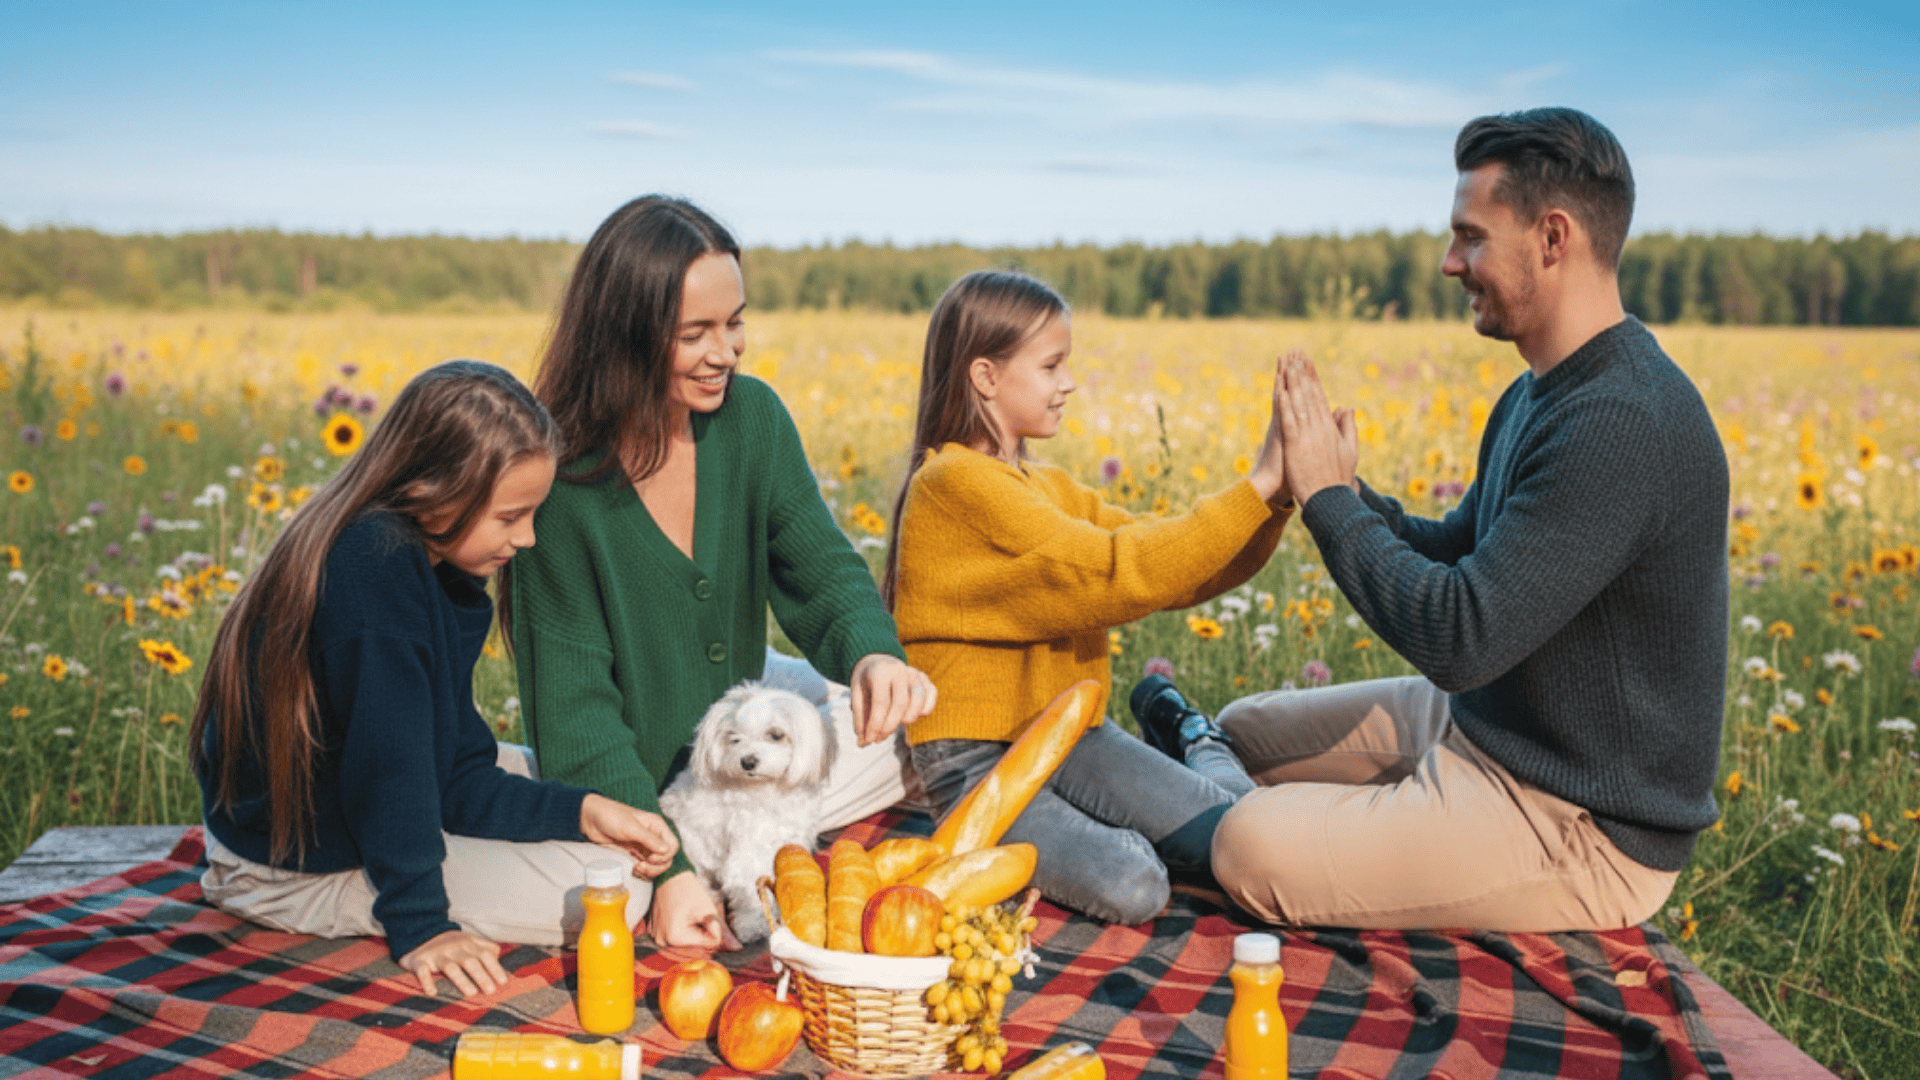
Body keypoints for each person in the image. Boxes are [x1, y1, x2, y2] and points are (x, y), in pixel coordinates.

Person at [1138, 107, 1729, 932]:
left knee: (1248, 849)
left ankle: (1236, 823)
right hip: (1493, 726)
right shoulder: (1540, 390)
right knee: (1241, 732)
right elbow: (1461, 553)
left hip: (1575, 819)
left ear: (1553, 238)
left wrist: (1329, 503)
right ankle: (1253, 800)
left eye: (1471, 236)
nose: (1450, 263)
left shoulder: (1622, 421)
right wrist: (1341, 489)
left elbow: (1461, 637)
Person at [504, 195, 938, 951]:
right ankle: (709, 841)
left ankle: (758, 824)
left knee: (925, 716)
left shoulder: (753, 419)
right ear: (626, 337)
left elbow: (823, 565)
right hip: (634, 760)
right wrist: (669, 870)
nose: (727, 352)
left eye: (734, 322)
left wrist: (874, 654)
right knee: (617, 903)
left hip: (746, 709)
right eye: (694, 333)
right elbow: (578, 714)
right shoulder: (562, 487)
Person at [192, 360, 679, 999]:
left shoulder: (423, 560)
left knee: (591, 812)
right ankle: (390, 895)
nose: (527, 538)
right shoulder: (376, 573)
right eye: (511, 517)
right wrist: (423, 926)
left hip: (346, 802)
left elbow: (447, 766)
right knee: (614, 888)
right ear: (438, 490)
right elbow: (392, 771)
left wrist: (581, 810)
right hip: (287, 867)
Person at [886, 269, 1296, 924]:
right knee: (1136, 884)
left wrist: (1274, 498)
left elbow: (1172, 567)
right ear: (986, 376)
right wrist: (1256, 484)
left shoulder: (1050, 488)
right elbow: (1110, 571)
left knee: (1242, 833)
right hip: (975, 759)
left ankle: (1196, 741)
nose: (1068, 382)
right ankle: (1174, 769)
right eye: (1051, 366)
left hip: (1071, 737)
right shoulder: (952, 482)